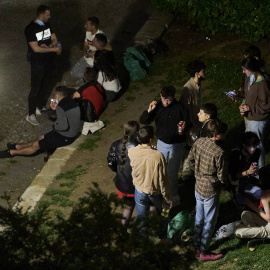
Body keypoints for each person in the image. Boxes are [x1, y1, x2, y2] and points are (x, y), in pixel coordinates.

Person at [140, 86, 190, 205]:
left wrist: (185, 127)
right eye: (163, 99)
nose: (165, 102)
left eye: (168, 100)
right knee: (160, 170)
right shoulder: (157, 106)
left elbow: (189, 123)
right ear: (160, 96)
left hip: (176, 144)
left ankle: (173, 196)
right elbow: (144, 121)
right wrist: (149, 110)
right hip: (162, 143)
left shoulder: (180, 107)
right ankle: (160, 193)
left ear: (173, 98)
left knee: (172, 172)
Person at [187, 119, 228, 261]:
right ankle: (204, 251)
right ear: (216, 135)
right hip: (210, 190)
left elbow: (189, 160)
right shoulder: (219, 152)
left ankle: (195, 246)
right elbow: (222, 175)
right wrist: (222, 183)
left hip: (198, 186)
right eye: (223, 133)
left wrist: (197, 173)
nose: (225, 135)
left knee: (199, 217)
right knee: (209, 221)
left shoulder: (198, 142)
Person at [0, 86, 81, 158]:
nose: (54, 97)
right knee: (41, 137)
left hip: (66, 137)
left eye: (54, 95)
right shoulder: (71, 100)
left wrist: (54, 126)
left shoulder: (61, 107)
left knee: (36, 145)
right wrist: (54, 108)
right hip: (69, 133)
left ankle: (11, 153)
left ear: (57, 95)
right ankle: (17, 146)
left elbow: (63, 126)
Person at [128, 126, 172, 237]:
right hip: (154, 192)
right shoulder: (158, 156)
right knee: (164, 213)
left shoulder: (132, 152)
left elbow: (142, 155)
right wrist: (167, 198)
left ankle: (144, 240)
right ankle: (163, 236)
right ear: (151, 139)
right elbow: (163, 179)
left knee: (142, 218)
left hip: (139, 191)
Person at [24, 5, 62, 125]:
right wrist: (53, 50)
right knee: (35, 88)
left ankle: (39, 106)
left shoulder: (47, 25)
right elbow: (36, 49)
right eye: (48, 14)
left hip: (48, 61)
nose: (49, 17)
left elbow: (55, 39)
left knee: (45, 85)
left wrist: (50, 46)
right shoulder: (30, 29)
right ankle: (30, 114)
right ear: (41, 14)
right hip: (38, 63)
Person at [107, 121, 140, 226]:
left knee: (128, 207)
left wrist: (119, 171)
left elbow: (110, 162)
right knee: (143, 208)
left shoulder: (116, 144)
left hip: (122, 183)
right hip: (137, 184)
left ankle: (123, 229)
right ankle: (142, 232)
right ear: (137, 132)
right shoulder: (139, 147)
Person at [239, 56, 270, 168]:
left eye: (244, 69)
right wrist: (239, 96)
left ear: (251, 69)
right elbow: (250, 96)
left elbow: (267, 105)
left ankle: (260, 172)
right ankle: (253, 169)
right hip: (251, 118)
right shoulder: (251, 78)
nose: (243, 72)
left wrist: (250, 108)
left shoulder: (262, 85)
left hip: (258, 120)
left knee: (256, 147)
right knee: (251, 146)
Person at [181, 103, 218, 181]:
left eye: (201, 113)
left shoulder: (209, 130)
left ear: (208, 116)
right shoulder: (207, 125)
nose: (198, 114)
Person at [229, 132, 262, 206]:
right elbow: (233, 176)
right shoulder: (236, 154)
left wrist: (254, 172)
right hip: (237, 183)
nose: (253, 149)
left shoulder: (256, 152)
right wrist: (247, 172)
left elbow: (254, 166)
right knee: (243, 202)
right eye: (250, 146)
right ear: (244, 145)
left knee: (260, 194)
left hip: (248, 181)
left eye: (255, 146)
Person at [73, 67, 105, 134]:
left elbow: (74, 96)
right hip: (98, 109)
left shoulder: (85, 88)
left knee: (74, 101)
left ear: (84, 77)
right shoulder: (97, 83)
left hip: (91, 115)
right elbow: (82, 88)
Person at [180, 60, 206, 132]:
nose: (204, 73)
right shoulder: (188, 89)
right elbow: (184, 109)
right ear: (197, 74)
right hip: (192, 126)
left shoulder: (198, 84)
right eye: (203, 71)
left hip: (198, 120)